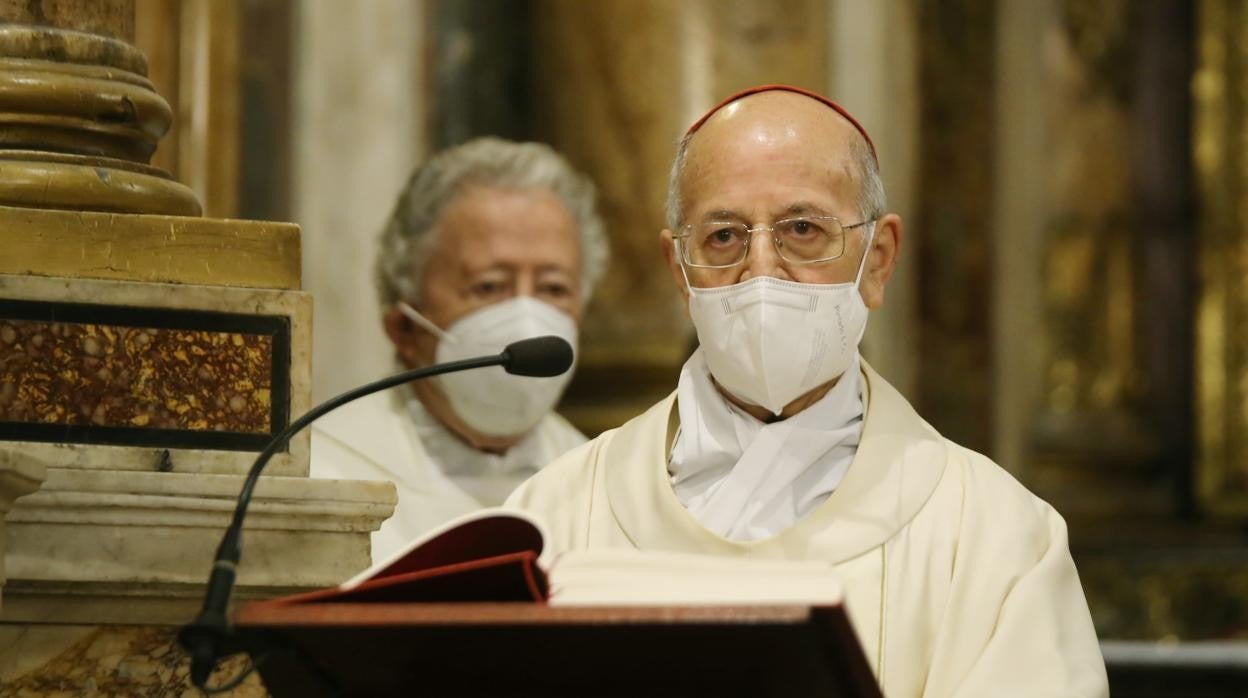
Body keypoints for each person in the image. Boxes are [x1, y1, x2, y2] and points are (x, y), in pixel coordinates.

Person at [506, 86, 1108, 696]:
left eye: (802, 229)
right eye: (723, 237)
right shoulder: (552, 516)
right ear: (679, 272)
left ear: (878, 261)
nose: (761, 269)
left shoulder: (994, 537)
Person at [312, 137, 608, 561]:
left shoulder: (604, 487)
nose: (527, 318)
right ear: (405, 329)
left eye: (553, 288)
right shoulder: (321, 474)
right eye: (488, 286)